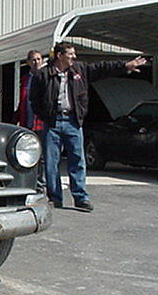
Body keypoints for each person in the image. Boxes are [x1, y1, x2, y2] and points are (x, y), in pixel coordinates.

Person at [29, 42, 146, 212]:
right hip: (53, 123)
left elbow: (102, 68)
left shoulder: (80, 70)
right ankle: (55, 198)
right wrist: (46, 115)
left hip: (73, 122)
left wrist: (125, 65)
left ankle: (81, 197)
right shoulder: (43, 74)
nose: (74, 57)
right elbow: (34, 100)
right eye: (70, 54)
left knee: (78, 160)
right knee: (51, 162)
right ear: (60, 55)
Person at [14, 50, 46, 191]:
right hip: (27, 122)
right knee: (27, 154)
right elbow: (23, 102)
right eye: (33, 60)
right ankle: (30, 182)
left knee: (42, 156)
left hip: (40, 122)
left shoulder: (46, 77)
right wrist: (15, 118)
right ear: (28, 62)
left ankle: (41, 183)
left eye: (39, 59)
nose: (36, 62)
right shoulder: (26, 79)